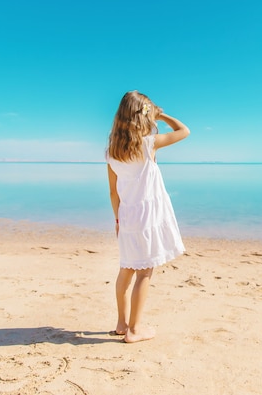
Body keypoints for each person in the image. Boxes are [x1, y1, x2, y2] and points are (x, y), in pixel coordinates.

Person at [106, 90, 190, 343]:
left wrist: (118, 220)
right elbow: (185, 131)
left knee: (126, 269)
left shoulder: (112, 151)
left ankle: (121, 323)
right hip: (147, 217)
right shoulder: (148, 143)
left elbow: (113, 191)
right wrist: (162, 115)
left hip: (127, 215)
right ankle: (134, 330)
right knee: (144, 272)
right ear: (141, 116)